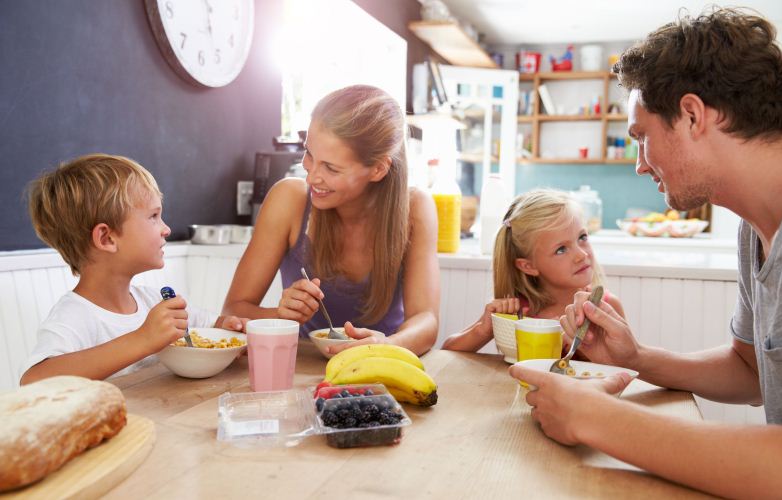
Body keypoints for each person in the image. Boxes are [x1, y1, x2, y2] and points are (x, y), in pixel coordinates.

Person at [509, 8, 782, 498]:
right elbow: (752, 372)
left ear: (692, 115)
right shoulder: (757, 228)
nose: (641, 166)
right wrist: (637, 357)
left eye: (642, 138)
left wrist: (595, 417)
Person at [222, 85, 439, 356]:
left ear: (378, 169)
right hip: (297, 366)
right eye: (309, 154)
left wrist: (387, 346)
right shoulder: (289, 199)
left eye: (331, 168)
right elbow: (233, 310)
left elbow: (427, 321)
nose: (312, 176)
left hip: (383, 365)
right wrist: (280, 315)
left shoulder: (416, 208)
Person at [20, 154, 245, 384]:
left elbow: (212, 325)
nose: (166, 229)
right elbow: (33, 381)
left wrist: (228, 327)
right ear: (107, 238)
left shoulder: (152, 300)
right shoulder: (74, 316)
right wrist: (143, 339)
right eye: (153, 217)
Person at [442, 189, 623, 352]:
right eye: (561, 249)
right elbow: (448, 352)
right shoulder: (518, 312)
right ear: (528, 266)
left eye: (582, 237)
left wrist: (585, 349)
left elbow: (627, 365)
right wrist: (483, 329)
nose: (582, 254)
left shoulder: (605, 307)